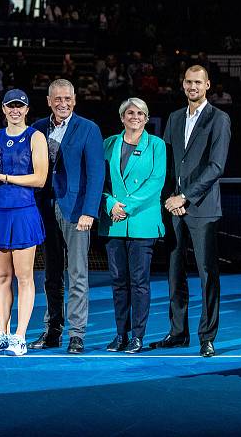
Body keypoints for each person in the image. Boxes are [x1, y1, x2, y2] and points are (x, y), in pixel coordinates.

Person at [150, 65, 231, 357]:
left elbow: (216, 166)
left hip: (202, 208)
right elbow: (169, 164)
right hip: (175, 207)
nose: (192, 86)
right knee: (174, 272)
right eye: (188, 82)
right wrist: (172, 198)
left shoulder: (219, 119)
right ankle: (177, 332)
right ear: (183, 85)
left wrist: (185, 196)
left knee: (208, 273)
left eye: (198, 82)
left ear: (207, 85)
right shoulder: (173, 118)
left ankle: (207, 336)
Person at [29, 79, 105, 354]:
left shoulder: (88, 129)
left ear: (74, 100)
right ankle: (52, 331)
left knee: (77, 274)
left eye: (67, 99)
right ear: (49, 101)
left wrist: (89, 211)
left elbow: (96, 173)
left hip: (76, 211)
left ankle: (77, 334)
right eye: (57, 99)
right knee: (51, 275)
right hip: (44, 209)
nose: (63, 104)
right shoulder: (37, 128)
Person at [0, 89, 48, 356]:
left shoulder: (36, 137)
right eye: (10, 106)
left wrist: (5, 177)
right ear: (4, 109)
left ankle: (20, 337)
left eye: (20, 106)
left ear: (27, 110)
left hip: (23, 212)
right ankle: (3, 333)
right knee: (2, 277)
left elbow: (40, 178)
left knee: (24, 277)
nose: (15, 110)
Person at [98, 98, 166, 354]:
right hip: (113, 223)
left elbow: (155, 183)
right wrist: (110, 204)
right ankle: (120, 335)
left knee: (139, 282)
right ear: (122, 117)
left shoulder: (157, 146)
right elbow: (99, 181)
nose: (135, 117)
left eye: (140, 113)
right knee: (118, 282)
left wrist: (124, 207)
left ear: (146, 118)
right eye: (130, 112)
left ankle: (137, 336)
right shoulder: (108, 144)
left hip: (142, 224)